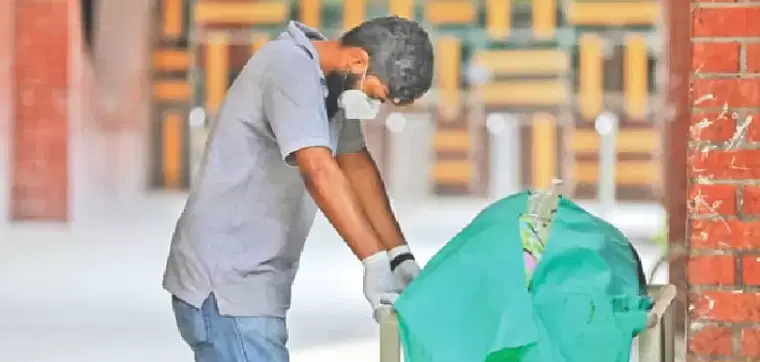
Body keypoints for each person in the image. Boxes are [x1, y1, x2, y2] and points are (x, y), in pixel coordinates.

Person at [162, 16, 435, 362]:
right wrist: (374, 262)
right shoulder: (290, 69)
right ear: (358, 62)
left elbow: (355, 164)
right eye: (375, 96)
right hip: (227, 288)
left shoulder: (332, 86)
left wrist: (399, 255)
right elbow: (319, 169)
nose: (373, 107)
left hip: (253, 287)